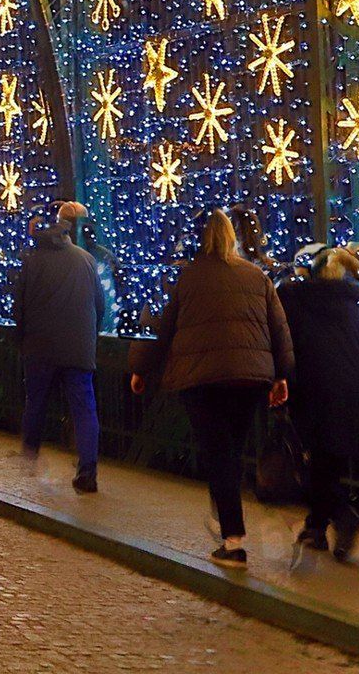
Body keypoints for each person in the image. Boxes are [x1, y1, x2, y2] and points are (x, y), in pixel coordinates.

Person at [132, 207, 293, 567]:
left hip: (202, 379)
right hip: (250, 378)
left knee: (218, 453)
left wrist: (142, 369)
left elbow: (166, 330)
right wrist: (281, 376)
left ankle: (233, 540)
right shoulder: (256, 276)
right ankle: (226, 510)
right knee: (231, 451)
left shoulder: (189, 278)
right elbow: (279, 329)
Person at [278, 244, 359, 561]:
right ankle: (315, 528)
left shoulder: (296, 302)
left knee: (310, 466)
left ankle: (342, 517)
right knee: (328, 465)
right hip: (350, 397)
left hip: (310, 392)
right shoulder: (352, 309)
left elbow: (284, 348)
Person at [15, 200, 105, 492]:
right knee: (84, 408)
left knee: (36, 401)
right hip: (79, 346)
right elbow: (100, 305)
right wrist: (91, 335)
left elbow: (20, 307)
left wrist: (22, 339)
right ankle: (88, 470)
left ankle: (29, 455)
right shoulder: (86, 260)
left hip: (40, 346)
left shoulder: (33, 260)